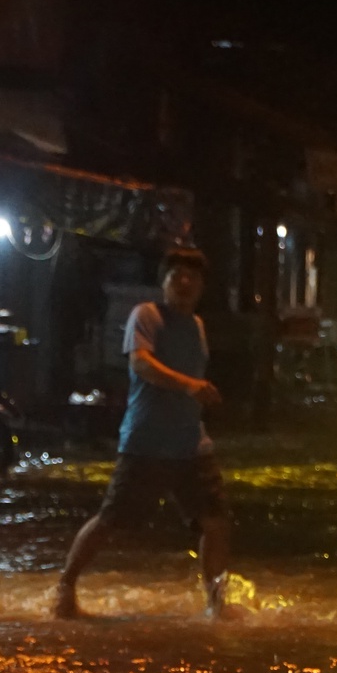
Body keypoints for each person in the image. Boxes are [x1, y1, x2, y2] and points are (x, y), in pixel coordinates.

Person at [55, 248, 235, 621]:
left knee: (216, 521)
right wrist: (190, 386)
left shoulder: (197, 325)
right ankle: (65, 586)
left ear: (202, 286)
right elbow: (141, 363)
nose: (184, 283)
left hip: (190, 444)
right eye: (176, 277)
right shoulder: (147, 315)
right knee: (111, 520)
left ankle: (215, 603)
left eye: (192, 278)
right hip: (146, 442)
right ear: (164, 282)